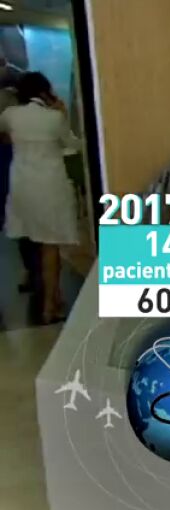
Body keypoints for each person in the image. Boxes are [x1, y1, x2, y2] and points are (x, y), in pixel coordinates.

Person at [0, 71, 80, 324]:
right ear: (45, 91)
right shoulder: (54, 118)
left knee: (33, 239)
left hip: (22, 185)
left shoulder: (10, 115)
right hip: (50, 185)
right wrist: (63, 113)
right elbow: (72, 144)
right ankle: (50, 306)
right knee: (51, 245)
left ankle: (53, 297)